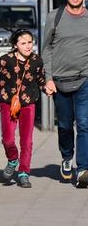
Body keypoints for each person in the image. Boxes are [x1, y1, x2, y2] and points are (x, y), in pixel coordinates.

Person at [41, 0, 88, 188]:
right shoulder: (55, 17)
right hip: (59, 80)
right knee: (64, 125)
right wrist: (48, 78)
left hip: (86, 77)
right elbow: (47, 49)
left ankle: (83, 168)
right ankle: (67, 157)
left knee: (84, 123)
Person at [0, 29, 46, 188]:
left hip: (28, 104)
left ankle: (24, 172)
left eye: (30, 42)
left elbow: (41, 80)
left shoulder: (36, 61)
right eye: (23, 43)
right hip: (7, 103)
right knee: (7, 139)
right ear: (15, 45)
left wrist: (48, 88)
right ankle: (13, 160)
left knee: (27, 140)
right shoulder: (5, 60)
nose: (28, 46)